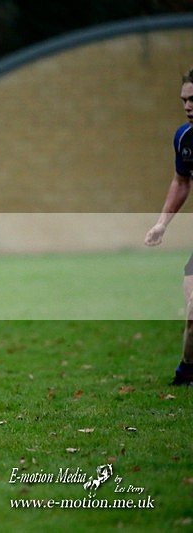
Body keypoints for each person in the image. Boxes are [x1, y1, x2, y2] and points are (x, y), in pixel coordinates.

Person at [145, 66, 193, 387]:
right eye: (184, 101)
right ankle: (186, 371)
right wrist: (162, 223)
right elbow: (181, 181)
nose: (188, 106)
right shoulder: (184, 138)